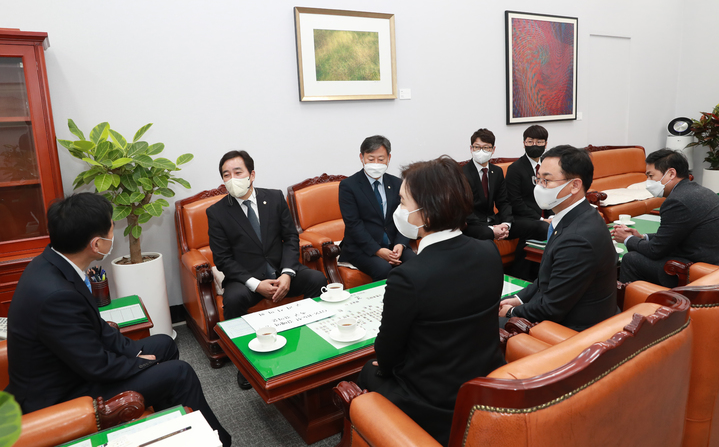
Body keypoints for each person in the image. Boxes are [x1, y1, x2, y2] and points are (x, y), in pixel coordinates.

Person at [5, 193, 231, 446]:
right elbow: (96, 366)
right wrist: (140, 364)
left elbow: (97, 328)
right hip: (63, 392)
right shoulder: (55, 295)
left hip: (75, 366)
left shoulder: (53, 264)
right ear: (96, 244)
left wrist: (133, 353)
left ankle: (172, 427)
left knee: (164, 344)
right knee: (180, 373)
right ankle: (218, 441)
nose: (113, 236)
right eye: (111, 230)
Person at [358, 156, 506, 446]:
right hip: (485, 383)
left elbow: (386, 352)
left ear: (426, 215)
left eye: (402, 202)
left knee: (367, 370)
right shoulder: (489, 251)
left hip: (435, 401)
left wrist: (384, 368)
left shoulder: (408, 276)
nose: (398, 210)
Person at [207, 150, 327, 388]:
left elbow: (291, 238)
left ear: (251, 174)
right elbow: (223, 259)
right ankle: (245, 365)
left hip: (281, 270)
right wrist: (255, 283)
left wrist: (287, 273)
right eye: (226, 175)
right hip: (244, 278)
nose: (232, 179)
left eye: (237, 172)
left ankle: (311, 342)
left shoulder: (274, 198)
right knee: (233, 299)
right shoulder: (217, 212)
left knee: (317, 278)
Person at [499, 145, 618, 332]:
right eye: (538, 179)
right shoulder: (580, 215)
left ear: (575, 185)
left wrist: (512, 311)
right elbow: (549, 276)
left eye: (546, 180)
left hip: (574, 330)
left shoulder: (577, 239)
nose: (539, 187)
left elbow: (551, 308)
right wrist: (520, 298)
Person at [613, 149, 719, 286]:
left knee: (631, 259)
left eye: (651, 176)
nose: (648, 182)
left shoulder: (677, 201)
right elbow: (674, 234)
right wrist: (642, 237)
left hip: (698, 270)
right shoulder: (700, 190)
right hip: (710, 260)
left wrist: (628, 239)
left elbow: (655, 251)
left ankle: (634, 303)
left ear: (671, 173)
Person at [338, 135, 415, 281]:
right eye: (371, 159)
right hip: (361, 248)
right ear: (362, 157)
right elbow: (353, 224)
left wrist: (400, 244)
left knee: (415, 263)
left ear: (389, 158)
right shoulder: (349, 186)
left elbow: (406, 216)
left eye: (381, 159)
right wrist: (377, 250)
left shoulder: (397, 183)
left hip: (394, 244)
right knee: (383, 269)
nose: (376, 163)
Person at [461, 128, 548, 242]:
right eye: (477, 147)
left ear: (493, 150)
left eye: (486, 147)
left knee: (541, 227)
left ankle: (528, 259)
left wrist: (506, 224)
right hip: (473, 225)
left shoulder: (496, 171)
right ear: (471, 148)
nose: (481, 151)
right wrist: (491, 229)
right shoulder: (462, 173)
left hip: (495, 221)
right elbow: (464, 209)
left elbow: (503, 202)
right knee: (487, 236)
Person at [505, 125, 554, 220]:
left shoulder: (549, 165)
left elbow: (553, 193)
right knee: (544, 228)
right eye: (530, 142)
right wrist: (541, 220)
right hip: (524, 217)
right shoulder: (515, 169)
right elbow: (515, 202)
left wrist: (552, 216)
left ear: (545, 144)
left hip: (548, 215)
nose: (534, 145)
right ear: (524, 144)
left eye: (539, 142)